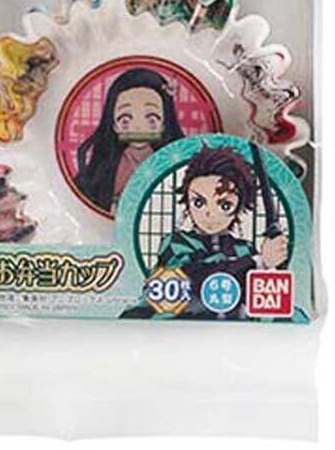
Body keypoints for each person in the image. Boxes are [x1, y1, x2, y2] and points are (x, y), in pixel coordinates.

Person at [122, 143, 288, 319]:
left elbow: (258, 299)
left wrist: (273, 264)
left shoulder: (244, 248)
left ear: (239, 207)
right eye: (199, 203)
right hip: (176, 325)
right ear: (187, 202)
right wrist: (258, 262)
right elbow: (196, 275)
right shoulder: (176, 243)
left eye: (225, 205)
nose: (210, 214)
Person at [75, 66, 184, 213]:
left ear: (164, 124)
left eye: (152, 119)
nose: (138, 128)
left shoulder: (167, 162)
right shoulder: (110, 165)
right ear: (114, 125)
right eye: (125, 119)